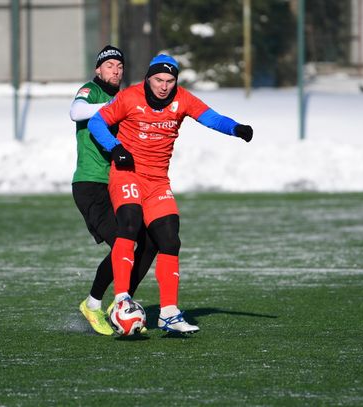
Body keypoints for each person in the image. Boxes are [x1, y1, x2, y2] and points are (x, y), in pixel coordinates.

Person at [88, 54, 253, 334]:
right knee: (129, 223)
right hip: (127, 174)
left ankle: (168, 313)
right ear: (148, 78)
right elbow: (96, 123)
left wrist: (236, 128)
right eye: (158, 80)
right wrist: (115, 148)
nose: (164, 86)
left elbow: (211, 118)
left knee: (169, 238)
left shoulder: (183, 99)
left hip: (157, 181)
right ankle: (121, 299)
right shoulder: (129, 97)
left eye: (169, 81)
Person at [69, 45, 157, 335]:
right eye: (109, 66)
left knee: (149, 241)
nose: (116, 70)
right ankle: (92, 304)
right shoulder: (91, 91)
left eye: (120, 66)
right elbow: (76, 111)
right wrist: (115, 106)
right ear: (98, 69)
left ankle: (121, 304)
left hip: (120, 183)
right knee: (123, 241)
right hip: (91, 184)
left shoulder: (125, 97)